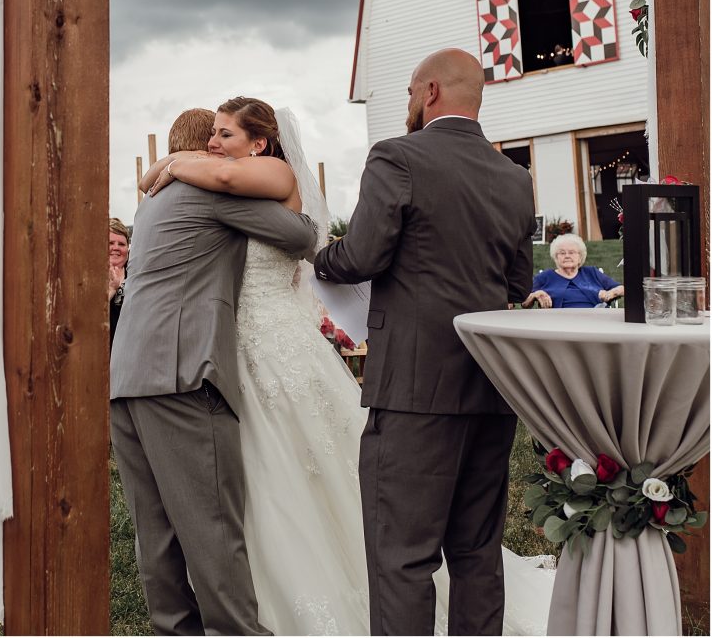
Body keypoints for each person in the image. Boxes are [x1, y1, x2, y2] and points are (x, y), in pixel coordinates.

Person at [148, 90, 553, 637]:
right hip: (234, 347)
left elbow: (323, 244)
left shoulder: (262, 177)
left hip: (277, 346)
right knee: (258, 477)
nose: (212, 145)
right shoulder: (509, 178)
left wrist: (173, 161)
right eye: (211, 135)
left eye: (225, 134)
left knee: (314, 473)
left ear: (261, 143)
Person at [314, 48, 538, 637]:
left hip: (414, 389)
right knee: (477, 551)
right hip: (490, 388)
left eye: (411, 93)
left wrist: (321, 259)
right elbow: (519, 284)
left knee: (402, 557)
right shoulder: (516, 178)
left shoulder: (397, 157)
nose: (408, 105)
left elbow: (361, 254)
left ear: (431, 91)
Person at [110, 102, 317, 637]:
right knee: (212, 529)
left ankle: (175, 630)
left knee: (154, 532)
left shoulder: (153, 201)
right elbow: (299, 237)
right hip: (181, 373)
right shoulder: (209, 191)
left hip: (128, 374)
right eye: (219, 139)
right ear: (208, 151)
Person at [522, 232, 623, 309]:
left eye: (572, 252)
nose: (567, 256)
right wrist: (536, 294)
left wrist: (610, 294)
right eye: (562, 253)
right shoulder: (545, 276)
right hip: (557, 324)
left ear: (580, 256)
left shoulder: (592, 273)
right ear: (555, 257)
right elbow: (524, 302)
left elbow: (621, 288)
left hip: (594, 321)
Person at [108, 217, 130, 350]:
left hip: (131, 350)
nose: (116, 248)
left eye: (121, 244)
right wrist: (111, 290)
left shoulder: (137, 275)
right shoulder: (89, 278)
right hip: (102, 351)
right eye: (110, 243)